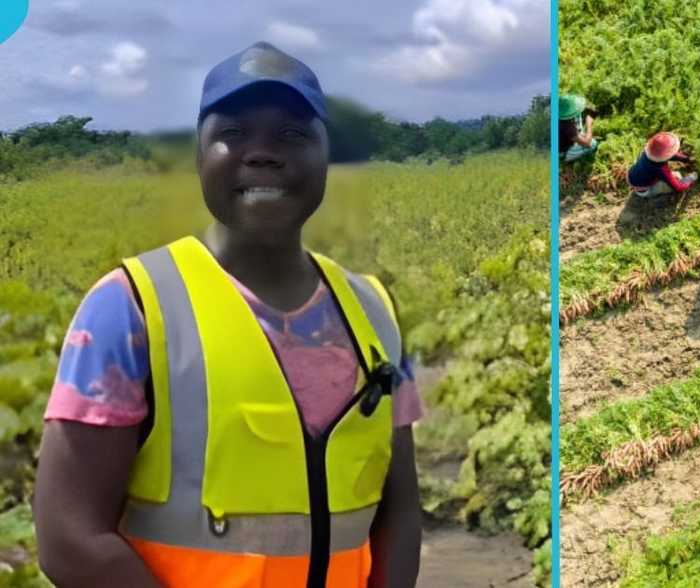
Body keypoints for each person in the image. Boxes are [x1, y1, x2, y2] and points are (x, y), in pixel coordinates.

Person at [33, 42, 422, 588]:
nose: (262, 153)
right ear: (199, 156)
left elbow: (400, 510)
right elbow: (69, 537)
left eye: (292, 133)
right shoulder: (130, 308)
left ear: (326, 155)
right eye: (233, 134)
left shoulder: (375, 311)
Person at [627, 131, 697, 198]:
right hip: (644, 191)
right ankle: (651, 192)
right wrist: (691, 178)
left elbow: (670, 155)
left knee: (668, 176)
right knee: (677, 176)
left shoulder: (649, 151)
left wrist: (686, 159)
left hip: (632, 177)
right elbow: (678, 187)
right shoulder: (660, 168)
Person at [558, 94, 599, 163]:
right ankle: (564, 158)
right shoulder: (567, 126)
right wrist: (589, 123)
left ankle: (579, 136)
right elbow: (587, 143)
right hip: (563, 151)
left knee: (578, 116)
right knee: (593, 143)